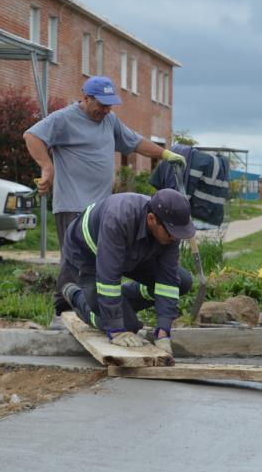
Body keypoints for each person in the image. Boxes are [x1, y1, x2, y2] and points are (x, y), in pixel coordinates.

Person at [24, 75, 187, 326]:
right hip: (73, 203)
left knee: (109, 260)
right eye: (101, 103)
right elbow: (32, 136)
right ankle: (61, 312)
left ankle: (110, 302)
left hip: (102, 207)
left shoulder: (109, 121)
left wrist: (166, 153)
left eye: (109, 104)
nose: (105, 109)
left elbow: (135, 142)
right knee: (74, 264)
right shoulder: (63, 118)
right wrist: (47, 167)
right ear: (86, 98)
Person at [59, 189, 195, 355]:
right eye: (171, 233)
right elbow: (108, 277)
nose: (175, 238)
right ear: (152, 219)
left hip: (134, 253)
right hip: (90, 257)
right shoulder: (118, 218)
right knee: (127, 325)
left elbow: (168, 280)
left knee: (183, 281)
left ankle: (118, 300)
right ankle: (77, 296)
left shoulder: (169, 229)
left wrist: (163, 331)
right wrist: (116, 330)